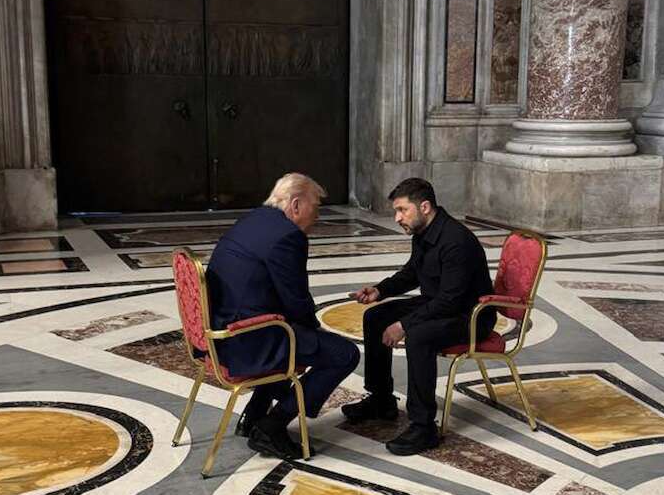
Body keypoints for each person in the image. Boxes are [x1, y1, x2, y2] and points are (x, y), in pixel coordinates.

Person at [207, 173, 360, 459]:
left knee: (294, 336)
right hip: (248, 340)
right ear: (296, 204)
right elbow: (296, 300)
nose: (317, 216)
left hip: (222, 333)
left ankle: (253, 414)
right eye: (315, 207)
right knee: (343, 354)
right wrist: (316, 335)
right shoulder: (288, 236)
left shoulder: (254, 220)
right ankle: (272, 425)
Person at [344, 177, 494, 455]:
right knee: (375, 317)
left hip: (469, 316)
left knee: (419, 336)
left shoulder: (456, 241)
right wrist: (380, 290)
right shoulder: (424, 232)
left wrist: (404, 324)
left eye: (402, 210)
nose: (397, 217)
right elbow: (413, 272)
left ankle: (424, 426)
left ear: (424, 207)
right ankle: (381, 400)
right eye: (396, 211)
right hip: (440, 305)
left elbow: (451, 301)